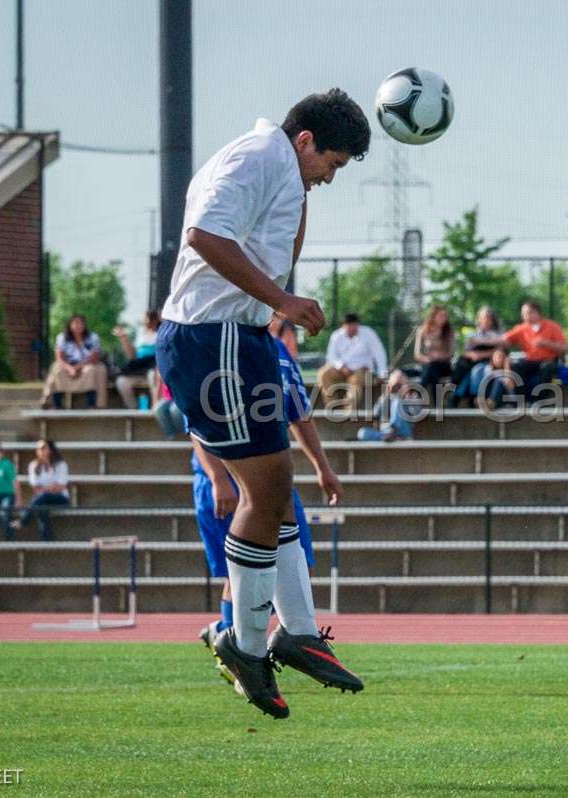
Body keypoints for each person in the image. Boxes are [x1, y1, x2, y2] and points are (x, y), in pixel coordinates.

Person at [156, 88, 369, 719]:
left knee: (276, 490)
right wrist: (281, 300)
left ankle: (295, 631)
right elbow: (202, 236)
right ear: (304, 140)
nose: (331, 176)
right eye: (331, 161)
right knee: (267, 490)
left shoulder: (281, 170)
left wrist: (300, 202)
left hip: (232, 336)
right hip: (212, 335)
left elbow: (272, 250)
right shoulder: (257, 156)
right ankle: (245, 643)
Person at [194, 330, 361, 694]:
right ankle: (239, 652)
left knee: (294, 557)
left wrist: (323, 467)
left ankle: (283, 635)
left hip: (275, 472)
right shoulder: (221, 342)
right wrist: (217, 477)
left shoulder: (280, 353)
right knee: (241, 571)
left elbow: (300, 414)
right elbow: (199, 422)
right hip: (230, 472)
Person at [320, 313, 388, 413]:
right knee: (323, 374)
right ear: (343, 326)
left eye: (354, 326)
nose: (352, 329)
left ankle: (347, 412)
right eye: (349, 327)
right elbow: (331, 356)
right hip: (342, 369)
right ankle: (332, 407)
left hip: (361, 369)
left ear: (358, 325)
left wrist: (382, 374)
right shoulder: (336, 336)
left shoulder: (369, 333)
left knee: (356, 381)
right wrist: (341, 366)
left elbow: (379, 353)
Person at [503, 300, 567, 400]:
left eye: (526, 313)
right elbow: (504, 339)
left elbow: (564, 348)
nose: (523, 316)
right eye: (523, 313)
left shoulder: (552, 326)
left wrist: (547, 343)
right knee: (516, 366)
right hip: (530, 360)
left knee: (547, 368)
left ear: (536, 313)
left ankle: (539, 399)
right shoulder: (521, 328)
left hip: (548, 361)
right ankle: (522, 399)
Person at [42, 315, 109, 409]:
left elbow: (95, 356)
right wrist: (69, 368)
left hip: (87, 363)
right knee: (57, 371)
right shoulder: (62, 337)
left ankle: (92, 404)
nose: (79, 325)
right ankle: (56, 405)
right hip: (67, 363)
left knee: (91, 371)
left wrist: (77, 367)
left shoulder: (93, 337)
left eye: (81, 323)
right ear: (69, 325)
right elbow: (59, 357)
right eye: (76, 323)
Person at [14, 439, 70, 541]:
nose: (40, 450)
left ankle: (23, 520)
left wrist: (45, 489)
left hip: (60, 498)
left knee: (42, 497)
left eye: (43, 448)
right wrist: (51, 487)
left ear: (50, 450)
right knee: (41, 507)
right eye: (38, 448)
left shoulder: (61, 464)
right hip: (41, 499)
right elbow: (35, 488)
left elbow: (61, 486)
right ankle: (47, 539)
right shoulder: (33, 465)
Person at [450, 307, 504, 408]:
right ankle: (458, 396)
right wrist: (473, 355)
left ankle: (464, 396)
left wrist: (481, 352)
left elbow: (500, 350)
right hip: (472, 361)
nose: (486, 320)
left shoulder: (498, 333)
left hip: (489, 361)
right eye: (483, 318)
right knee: (465, 370)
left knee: (476, 371)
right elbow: (465, 351)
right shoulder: (473, 333)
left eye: (488, 318)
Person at [113, 310, 162, 409]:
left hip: (153, 367)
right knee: (121, 382)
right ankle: (133, 410)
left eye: (151, 318)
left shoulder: (161, 334)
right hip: (138, 368)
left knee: (153, 376)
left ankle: (156, 408)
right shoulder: (140, 335)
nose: (148, 321)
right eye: (146, 318)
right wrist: (124, 338)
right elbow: (132, 356)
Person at [357, 370, 416, 441]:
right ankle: (392, 438)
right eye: (395, 385)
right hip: (385, 433)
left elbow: (417, 414)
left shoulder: (411, 397)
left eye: (400, 385)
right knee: (362, 433)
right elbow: (375, 413)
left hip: (403, 433)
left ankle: (393, 432)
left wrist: (407, 397)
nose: (397, 388)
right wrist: (386, 395)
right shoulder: (385, 397)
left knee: (398, 402)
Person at [414, 304, 455, 402]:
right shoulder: (423, 330)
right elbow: (417, 354)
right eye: (440, 315)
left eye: (445, 316)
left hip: (444, 365)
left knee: (431, 368)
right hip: (428, 363)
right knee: (431, 368)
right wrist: (428, 359)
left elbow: (451, 353)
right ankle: (438, 403)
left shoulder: (448, 332)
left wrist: (441, 356)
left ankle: (418, 394)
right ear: (433, 316)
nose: (443, 318)